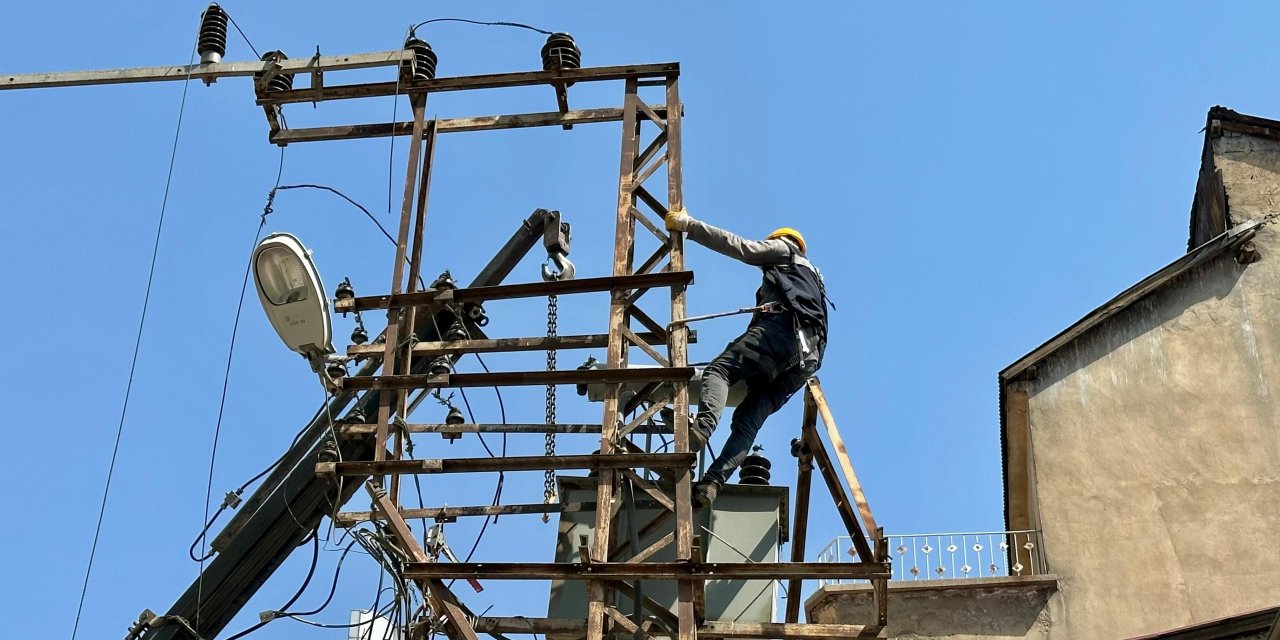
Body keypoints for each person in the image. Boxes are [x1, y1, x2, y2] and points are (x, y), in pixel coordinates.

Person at [665, 207, 830, 508]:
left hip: (784, 333)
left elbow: (743, 247)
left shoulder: (784, 251)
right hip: (805, 361)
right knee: (747, 421)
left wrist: (690, 226)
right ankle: (711, 484)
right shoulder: (813, 281)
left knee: (719, 372)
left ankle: (700, 430)